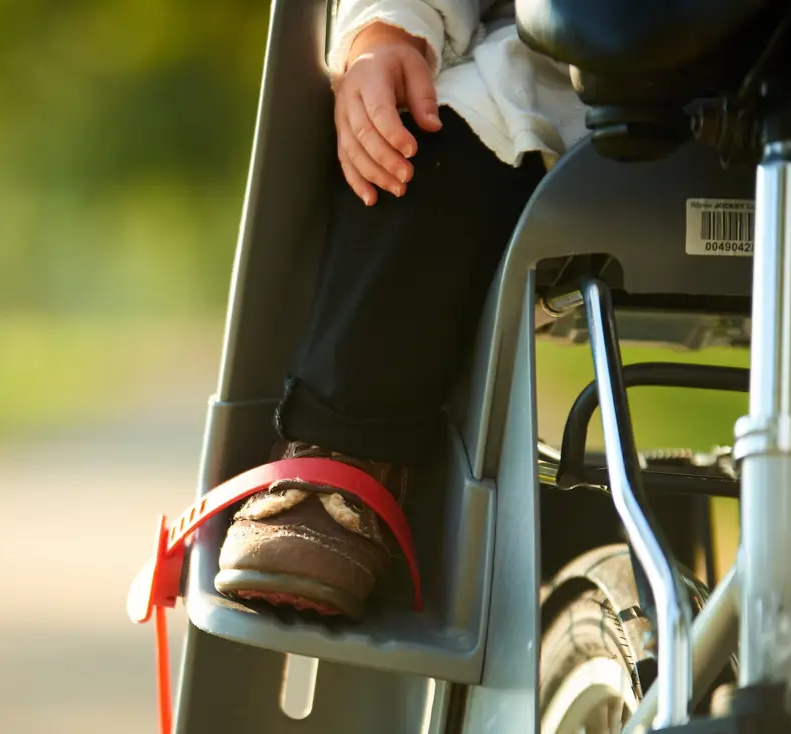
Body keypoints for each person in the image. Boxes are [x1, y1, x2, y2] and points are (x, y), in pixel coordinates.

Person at [214, 0, 587, 618]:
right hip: (550, 75)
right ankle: (347, 452)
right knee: (410, 130)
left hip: (768, 106)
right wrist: (386, 31)